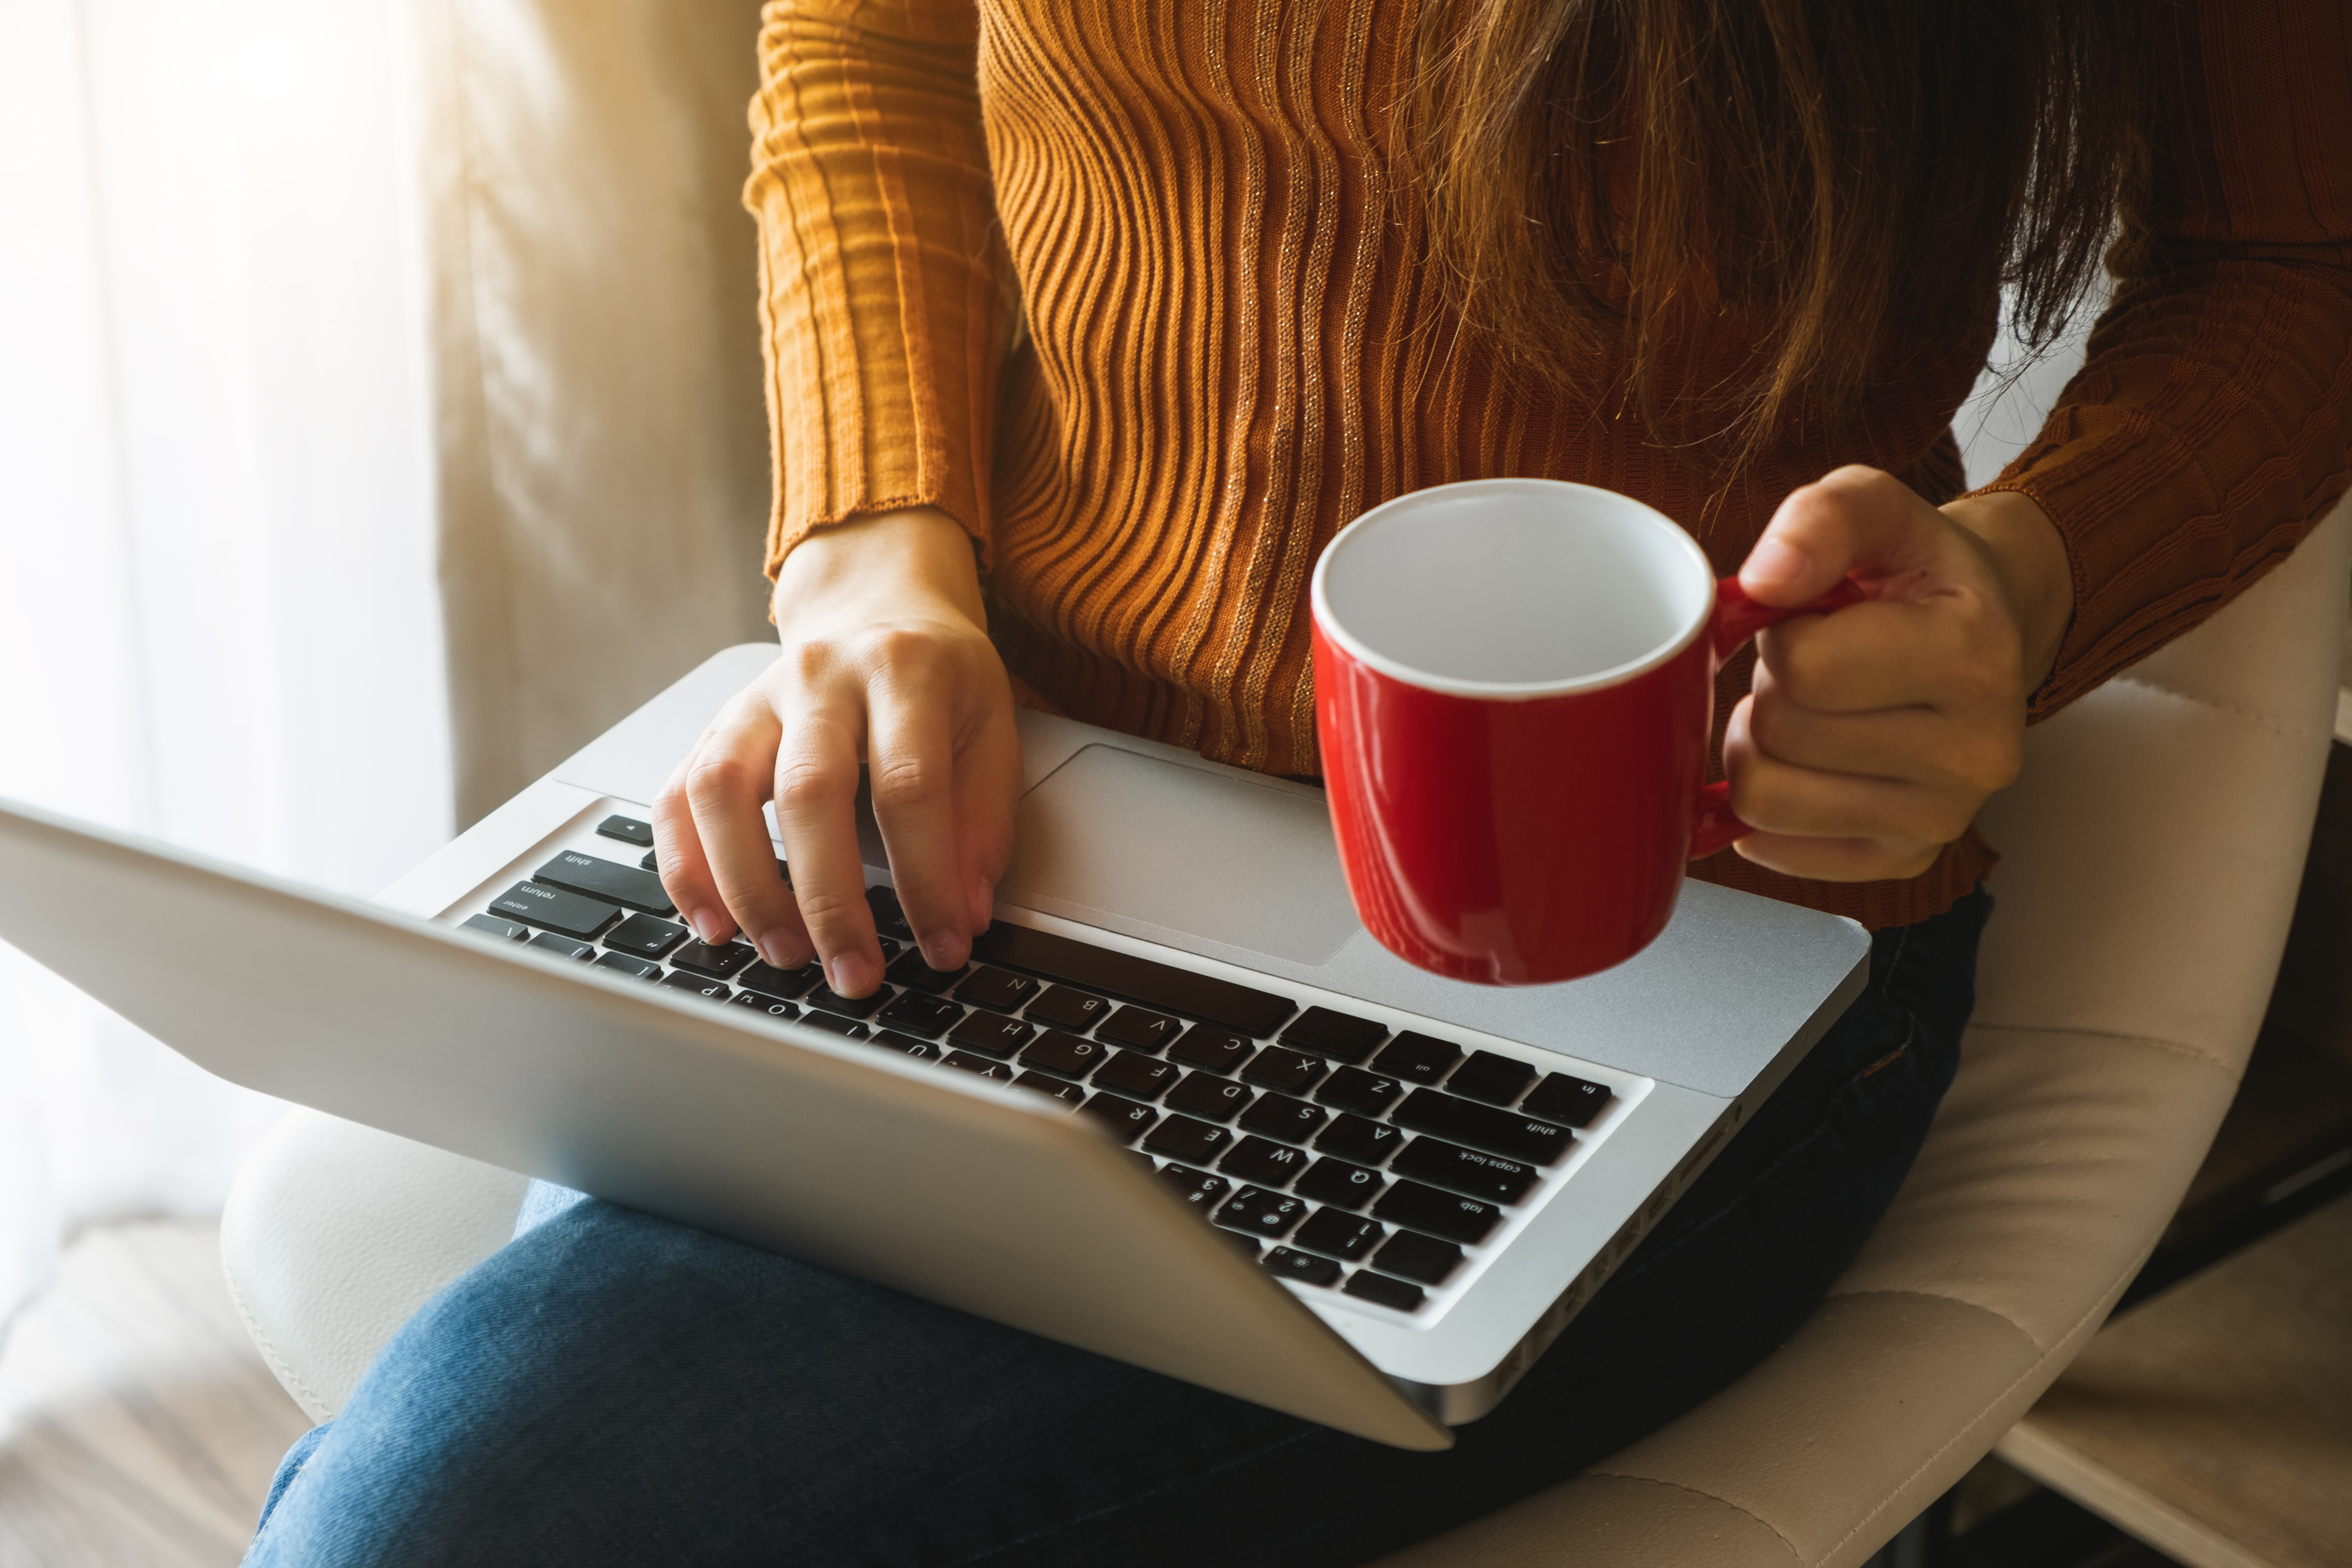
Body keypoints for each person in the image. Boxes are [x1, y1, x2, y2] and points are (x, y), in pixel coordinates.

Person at [244, 1, 2351, 1562]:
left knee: (437, 1526)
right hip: (1022, 820)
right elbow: (864, 37)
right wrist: (873, 569)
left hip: (1641, 950)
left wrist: (2021, 585)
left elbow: (2297, 271)